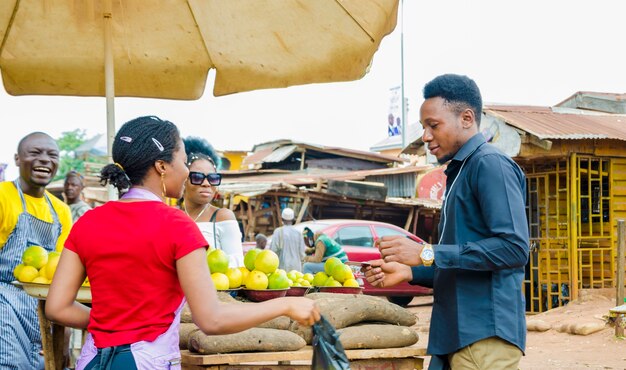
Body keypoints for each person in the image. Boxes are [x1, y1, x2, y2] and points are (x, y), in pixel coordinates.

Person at [45, 116, 320, 369]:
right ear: (162, 166)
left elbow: (57, 307)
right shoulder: (177, 225)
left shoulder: (89, 222)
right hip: (145, 361)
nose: (187, 171)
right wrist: (285, 305)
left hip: (92, 360)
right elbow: (211, 319)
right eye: (184, 161)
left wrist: (109, 325)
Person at [364, 74, 529, 370]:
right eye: (425, 127)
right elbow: (463, 260)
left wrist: (427, 253)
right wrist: (410, 272)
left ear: (466, 118)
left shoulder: (489, 164)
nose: (425, 136)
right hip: (455, 334)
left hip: (483, 336)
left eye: (433, 125)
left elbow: (514, 249)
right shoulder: (459, 171)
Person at [0, 132, 72, 370]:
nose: (44, 160)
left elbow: (61, 270)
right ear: (17, 159)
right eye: (35, 153)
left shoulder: (60, 211)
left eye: (52, 155)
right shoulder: (3, 196)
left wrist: (63, 333)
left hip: (44, 310)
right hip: (4, 305)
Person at [181, 136, 244, 267]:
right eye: (197, 177)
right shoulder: (172, 216)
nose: (206, 183)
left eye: (213, 178)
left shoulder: (222, 217)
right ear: (183, 179)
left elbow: (238, 264)